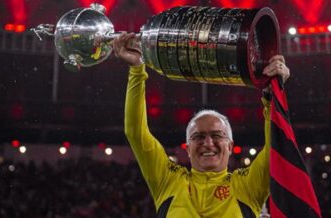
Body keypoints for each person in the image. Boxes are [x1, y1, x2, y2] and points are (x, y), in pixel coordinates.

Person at [113, 32, 290, 217]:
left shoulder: (247, 186)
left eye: (216, 135)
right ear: (188, 149)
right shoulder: (169, 181)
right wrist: (136, 69)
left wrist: (272, 98)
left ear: (230, 146)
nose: (208, 143)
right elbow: (135, 132)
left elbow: (276, 149)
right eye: (198, 136)